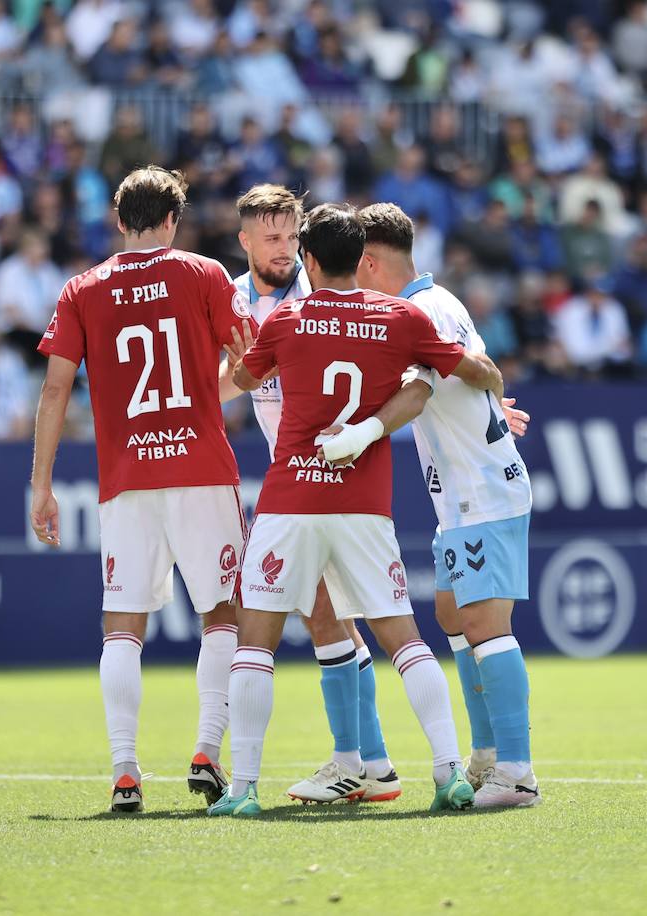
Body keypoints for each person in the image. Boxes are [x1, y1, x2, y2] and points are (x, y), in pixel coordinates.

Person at [214, 203, 504, 817]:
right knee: (405, 641)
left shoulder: (288, 317)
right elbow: (475, 370)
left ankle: (242, 789)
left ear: (310, 261)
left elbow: (241, 378)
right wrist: (493, 385)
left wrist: (244, 356)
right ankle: (450, 773)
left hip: (291, 496)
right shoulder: (401, 317)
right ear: (359, 260)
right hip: (362, 505)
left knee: (255, 642)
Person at [30, 166, 255, 813]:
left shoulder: (83, 288)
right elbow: (245, 359)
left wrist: (41, 484)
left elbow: (53, 390)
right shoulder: (204, 274)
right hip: (202, 470)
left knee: (122, 628)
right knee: (221, 614)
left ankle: (125, 770)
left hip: (126, 478)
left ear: (119, 221)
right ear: (172, 221)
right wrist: (211, 388)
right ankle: (206, 751)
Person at [332, 202, 539, 807]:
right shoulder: (438, 300)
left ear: (369, 261)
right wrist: (494, 402)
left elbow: (426, 389)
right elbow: (479, 373)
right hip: (463, 497)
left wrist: (364, 432)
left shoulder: (417, 311)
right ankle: (488, 754)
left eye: (354, 263)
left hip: (483, 494)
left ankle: (518, 772)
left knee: (483, 624)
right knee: (452, 615)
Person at [226, 184, 400, 804]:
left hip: (336, 477)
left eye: (291, 235)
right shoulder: (231, 298)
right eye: (269, 237)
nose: (283, 248)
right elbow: (227, 383)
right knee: (329, 618)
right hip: (292, 473)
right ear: (244, 239)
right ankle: (368, 760)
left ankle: (366, 761)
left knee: (334, 617)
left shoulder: (324, 290)